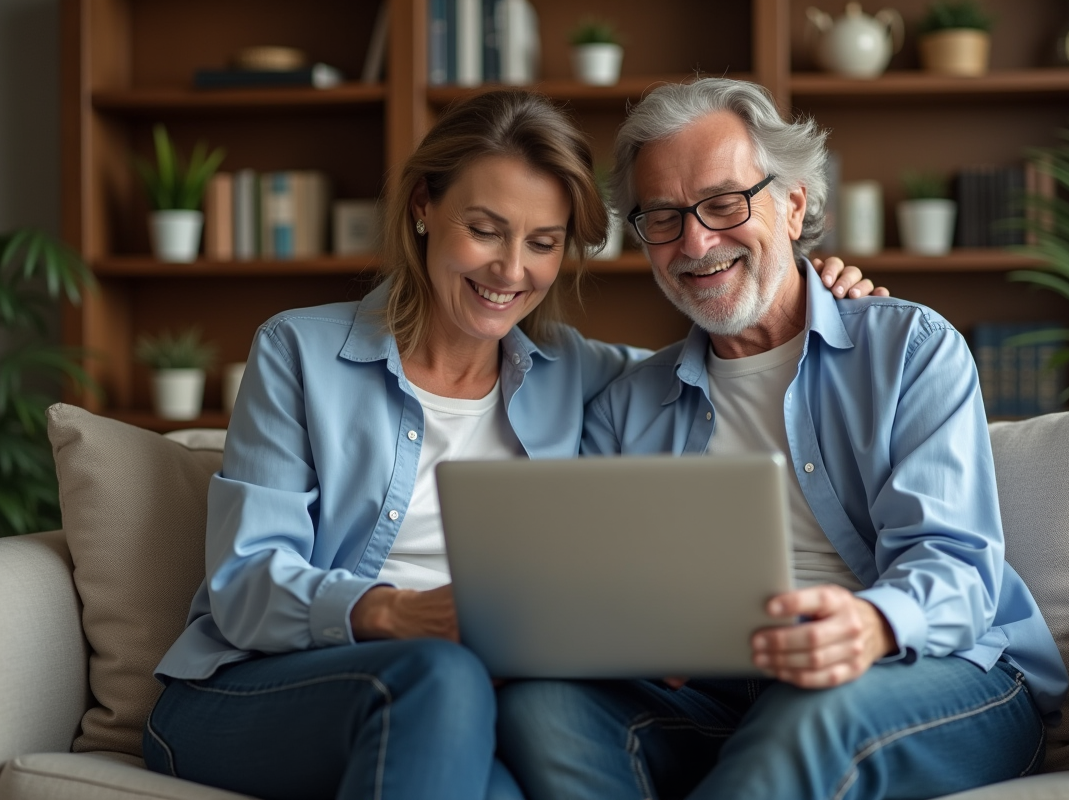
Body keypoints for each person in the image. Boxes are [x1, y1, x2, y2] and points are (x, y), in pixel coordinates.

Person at [143, 89, 884, 800]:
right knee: (440, 676)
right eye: (486, 229)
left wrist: (814, 290)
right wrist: (398, 614)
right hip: (260, 693)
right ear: (424, 207)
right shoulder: (298, 351)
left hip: (466, 707)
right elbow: (244, 582)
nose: (510, 270)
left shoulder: (579, 374)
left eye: (542, 242)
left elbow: (718, 359)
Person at [494, 78, 1069, 800]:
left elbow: (958, 570)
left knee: (813, 710)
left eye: (724, 203)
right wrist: (633, 636)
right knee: (541, 709)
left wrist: (868, 624)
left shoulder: (908, 349)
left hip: (943, 673)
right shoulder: (625, 408)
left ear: (793, 204)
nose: (695, 242)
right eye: (663, 217)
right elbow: (602, 587)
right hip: (732, 695)